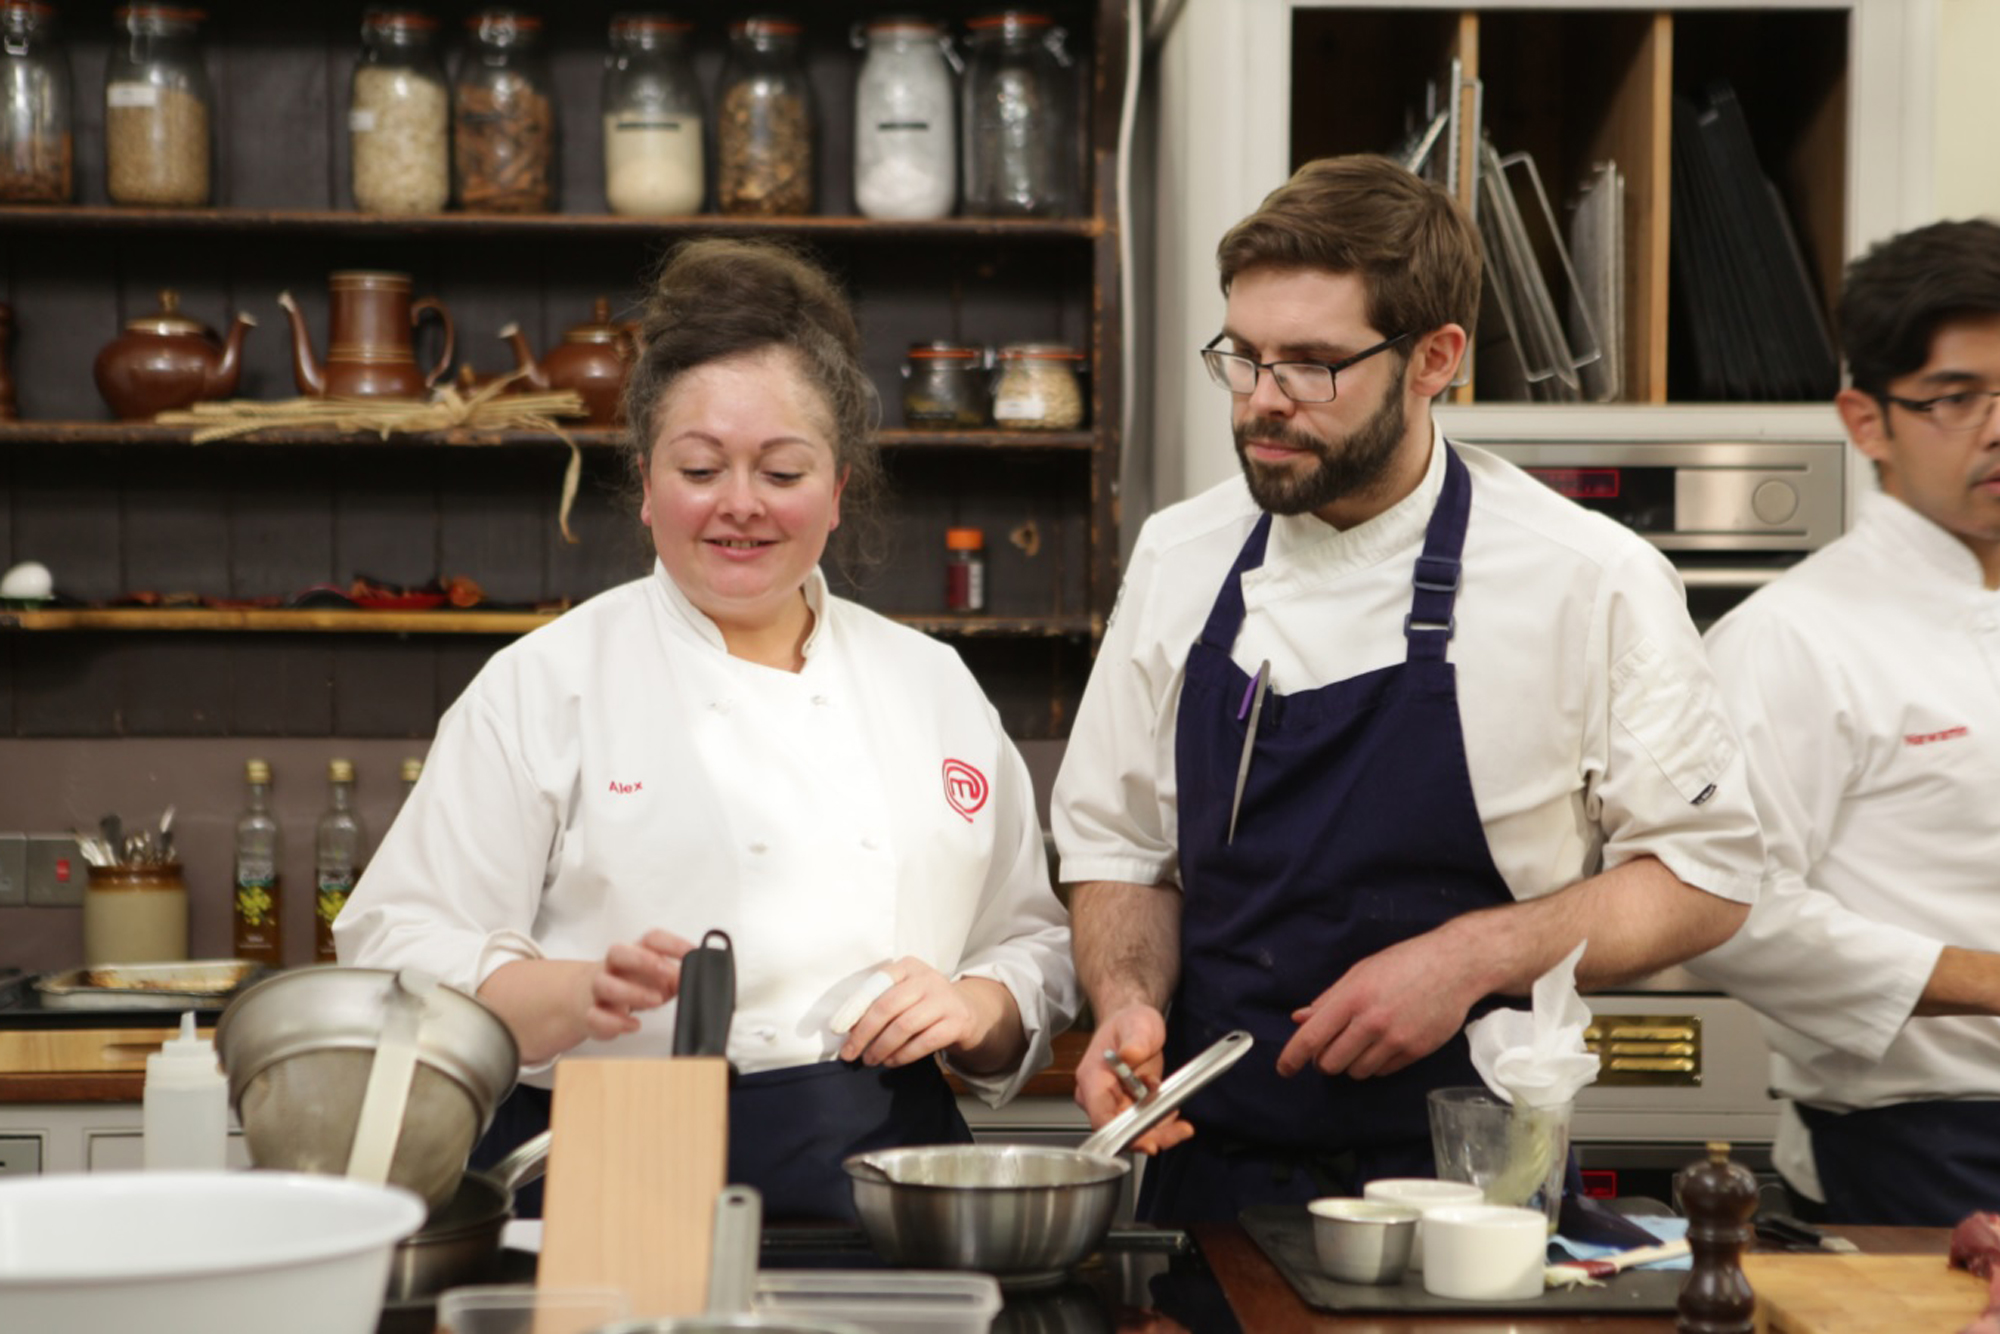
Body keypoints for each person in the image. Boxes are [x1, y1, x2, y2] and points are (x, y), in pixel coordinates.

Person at [1051, 154, 1763, 1224]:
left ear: (1434, 359)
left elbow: (1705, 875)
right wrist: (1125, 1004)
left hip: (1471, 1184)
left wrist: (1469, 953)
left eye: (1311, 364)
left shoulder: (1584, 576)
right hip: (1213, 1174)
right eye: (1241, 358)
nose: (1262, 402)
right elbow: (1119, 848)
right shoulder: (1179, 555)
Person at [336, 237, 1077, 1221]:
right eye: (699, 466)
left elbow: (1030, 939)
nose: (740, 504)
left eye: (781, 469)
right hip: (607, 1164)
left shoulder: (930, 686)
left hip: (883, 1169)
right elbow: (391, 942)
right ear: (645, 484)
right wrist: (554, 990)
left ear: (837, 487)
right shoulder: (543, 684)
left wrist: (980, 1006)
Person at [1685, 218, 2000, 1226]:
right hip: (1922, 1139)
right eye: (1956, 398)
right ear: (1865, 420)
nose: (1996, 426)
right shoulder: (1790, 637)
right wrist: (1989, 982)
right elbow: (1727, 913)